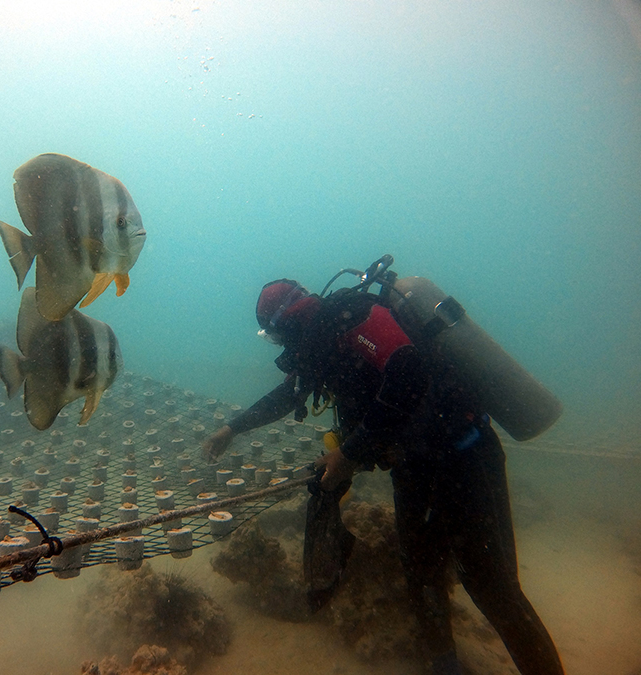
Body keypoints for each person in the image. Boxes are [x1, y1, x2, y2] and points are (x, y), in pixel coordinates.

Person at [202, 271, 564, 675]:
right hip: (414, 467)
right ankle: (446, 669)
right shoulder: (320, 344)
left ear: (286, 323)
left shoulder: (352, 317)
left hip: (463, 456)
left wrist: (349, 454)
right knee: (422, 573)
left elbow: (406, 369)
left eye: (275, 336)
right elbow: (289, 393)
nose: (282, 347)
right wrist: (233, 427)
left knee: (492, 587)